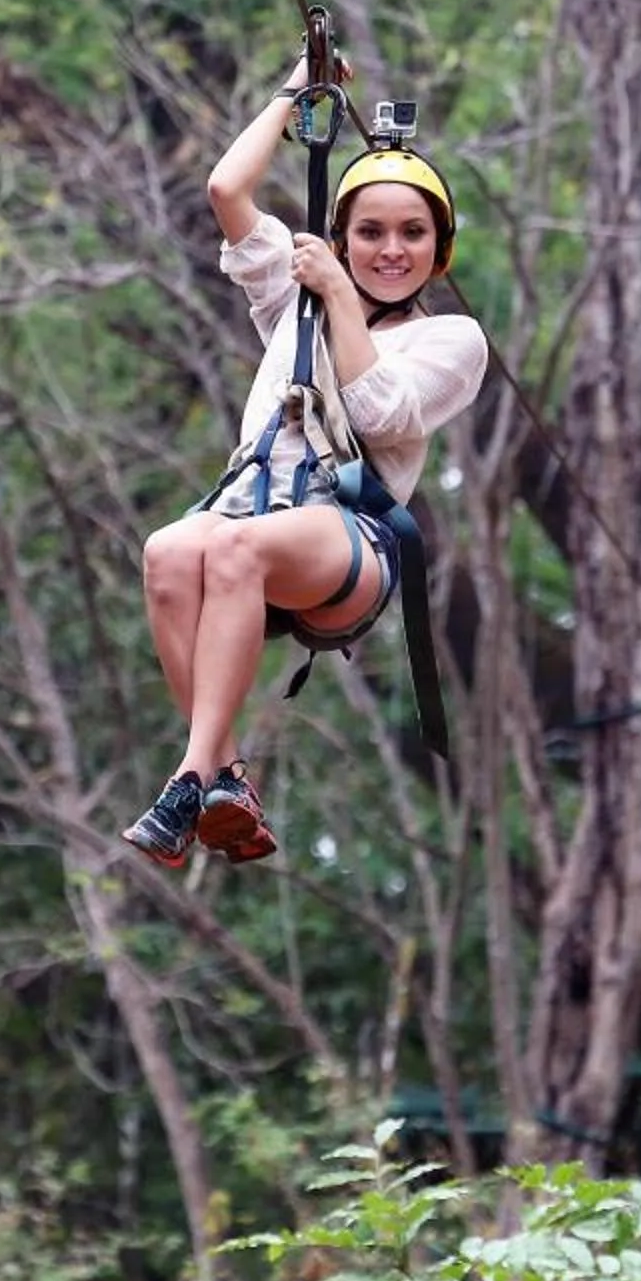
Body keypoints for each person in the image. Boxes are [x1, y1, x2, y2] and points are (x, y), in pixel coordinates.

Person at [121, 57, 489, 867]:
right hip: (248, 517)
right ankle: (223, 777)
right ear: (344, 237)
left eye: (412, 233)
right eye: (370, 232)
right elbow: (227, 193)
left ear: (440, 248)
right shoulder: (296, 302)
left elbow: (378, 412)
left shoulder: (453, 341)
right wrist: (295, 93)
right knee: (168, 549)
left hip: (347, 539)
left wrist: (342, 295)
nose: (390, 250)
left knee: (231, 545)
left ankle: (192, 774)